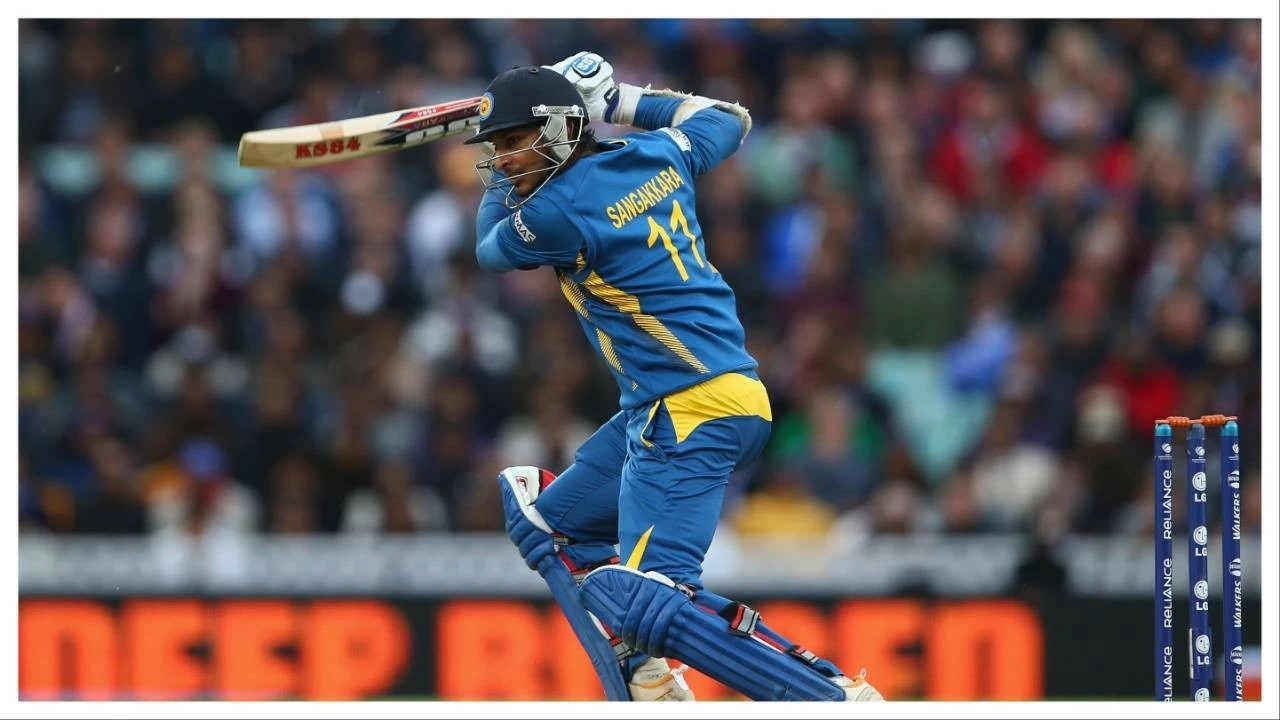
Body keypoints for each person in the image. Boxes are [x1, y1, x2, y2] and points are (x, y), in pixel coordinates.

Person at [468, 52, 883, 702]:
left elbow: (489, 248)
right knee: (552, 528)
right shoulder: (657, 155)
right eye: (495, 150)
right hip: (697, 401)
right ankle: (649, 683)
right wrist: (618, 100)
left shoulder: (556, 213)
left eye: (515, 142)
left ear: (560, 130)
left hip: (688, 410)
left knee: (647, 596)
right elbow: (727, 119)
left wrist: (499, 183)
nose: (505, 161)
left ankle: (831, 696)